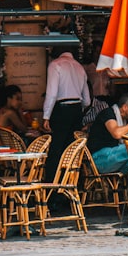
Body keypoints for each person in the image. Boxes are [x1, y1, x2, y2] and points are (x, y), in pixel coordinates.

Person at [42, 46, 91, 183]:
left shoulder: (55, 65)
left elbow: (51, 93)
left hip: (62, 109)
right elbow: (87, 100)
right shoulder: (80, 67)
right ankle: (72, 184)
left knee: (57, 149)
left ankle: (53, 187)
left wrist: (46, 116)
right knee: (73, 150)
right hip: (76, 110)